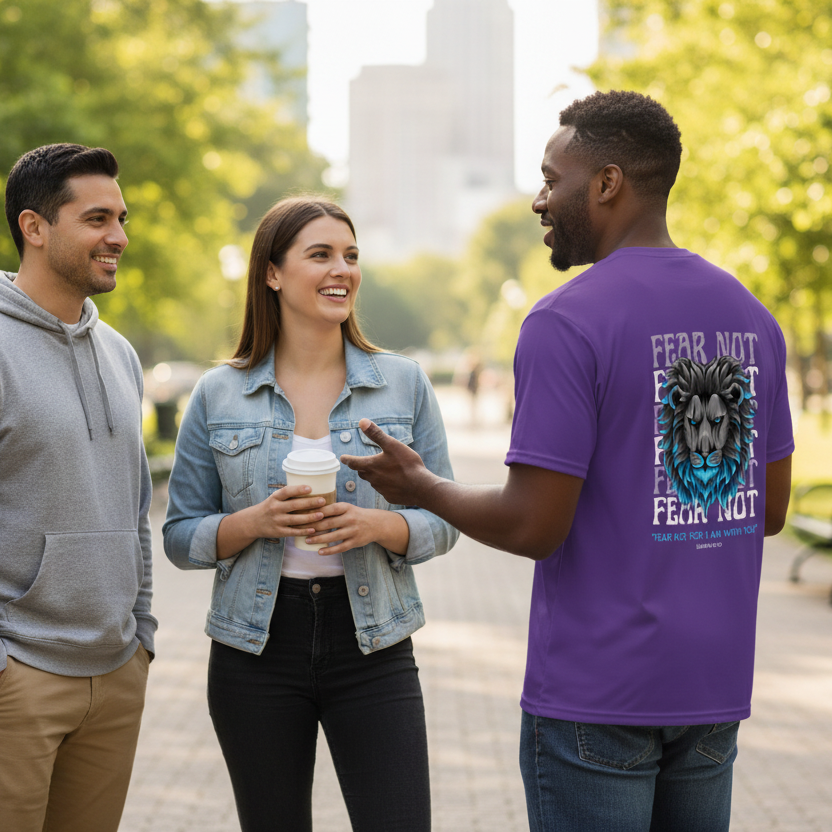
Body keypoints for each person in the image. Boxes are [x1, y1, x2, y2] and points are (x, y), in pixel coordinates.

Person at [341, 90, 794, 832]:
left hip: (600, 695)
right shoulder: (751, 317)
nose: (539, 200)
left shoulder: (566, 322)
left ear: (607, 183)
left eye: (552, 179)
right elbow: (767, 512)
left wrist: (420, 484)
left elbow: (534, 526)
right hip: (713, 690)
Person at [163, 196, 458, 832]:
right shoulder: (218, 393)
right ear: (272, 273)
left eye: (351, 256)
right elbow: (181, 536)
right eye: (320, 254)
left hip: (374, 642)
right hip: (255, 650)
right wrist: (257, 521)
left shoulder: (403, 383)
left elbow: (447, 515)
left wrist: (382, 525)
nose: (342, 270)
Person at [0, 144, 156, 831]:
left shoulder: (120, 353)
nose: (118, 236)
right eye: (97, 218)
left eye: (120, 218)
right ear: (35, 227)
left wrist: (142, 634)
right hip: (19, 676)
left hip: (116, 671)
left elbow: (136, 505)